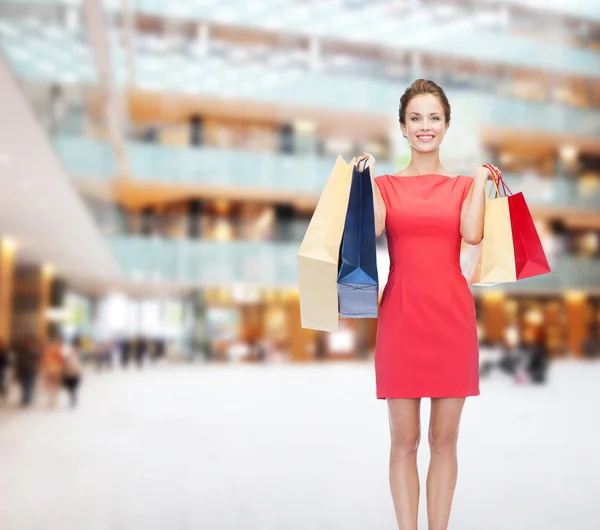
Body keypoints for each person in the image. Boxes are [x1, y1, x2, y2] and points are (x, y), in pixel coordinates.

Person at [364, 79, 498, 530]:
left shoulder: (463, 185)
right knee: (403, 441)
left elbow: (474, 234)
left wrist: (479, 179)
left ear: (446, 125)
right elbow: (372, 232)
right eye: (415, 118)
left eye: (433, 118)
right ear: (402, 127)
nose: (425, 126)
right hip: (400, 319)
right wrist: (361, 186)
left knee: (444, 442)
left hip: (452, 321)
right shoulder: (384, 185)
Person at [14, 336, 41, 407]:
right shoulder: (21, 351)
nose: (27, 344)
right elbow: (18, 362)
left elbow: (37, 358)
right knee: (24, 385)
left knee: (30, 384)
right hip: (23, 370)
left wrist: (36, 368)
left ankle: (28, 398)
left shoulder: (33, 350)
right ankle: (25, 398)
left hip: (30, 370)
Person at [41, 335, 64, 408]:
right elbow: (60, 360)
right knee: (54, 384)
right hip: (55, 368)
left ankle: (51, 398)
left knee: (50, 384)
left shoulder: (48, 349)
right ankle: (53, 399)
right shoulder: (57, 349)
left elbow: (44, 359)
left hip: (50, 368)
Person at [62, 341, 83, 407]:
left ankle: (73, 398)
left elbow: (80, 366)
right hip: (68, 374)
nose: (74, 349)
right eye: (73, 347)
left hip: (75, 374)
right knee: (69, 387)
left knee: (73, 388)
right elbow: (65, 363)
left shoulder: (79, 356)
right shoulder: (68, 354)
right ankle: (72, 397)